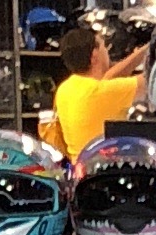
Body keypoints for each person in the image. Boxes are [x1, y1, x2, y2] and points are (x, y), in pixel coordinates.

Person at [53, 17, 145, 161]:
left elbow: (108, 77)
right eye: (103, 47)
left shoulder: (65, 89)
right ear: (94, 55)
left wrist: (144, 51)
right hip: (105, 167)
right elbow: (154, 80)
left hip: (80, 167)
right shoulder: (101, 92)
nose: (107, 51)